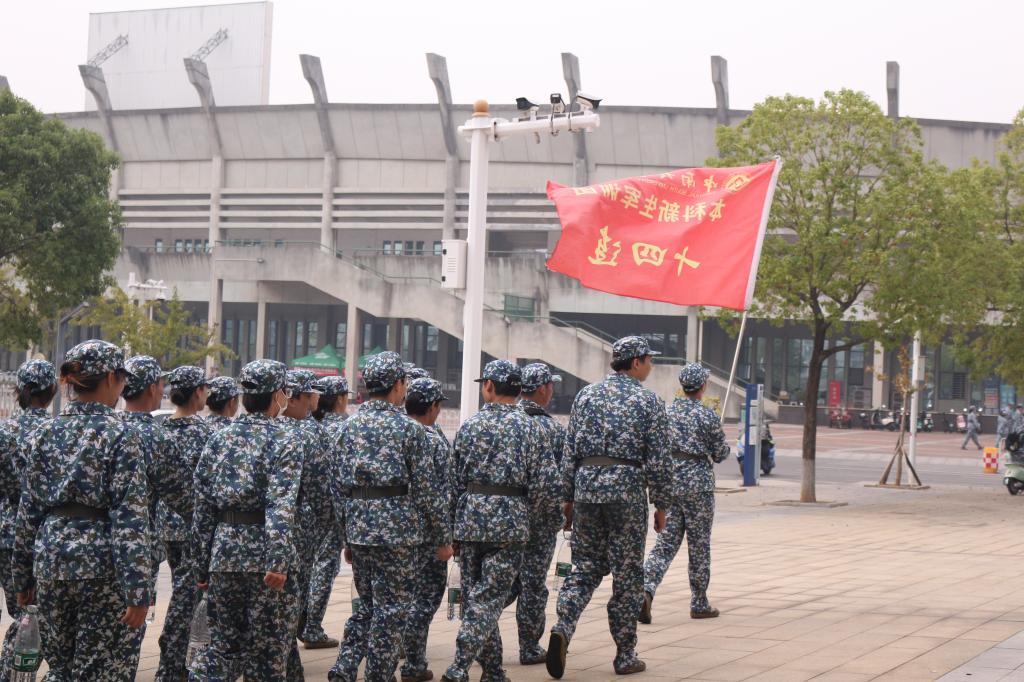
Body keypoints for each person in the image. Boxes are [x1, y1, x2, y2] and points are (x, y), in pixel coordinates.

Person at [12, 340, 151, 680]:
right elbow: (129, 517)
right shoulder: (121, 434)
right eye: (121, 378)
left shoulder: (44, 432)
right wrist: (138, 590)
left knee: (61, 666)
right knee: (100, 670)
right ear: (108, 378)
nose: (123, 387)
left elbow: (28, 512)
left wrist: (21, 576)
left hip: (51, 562)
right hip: (101, 568)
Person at [547, 336, 673, 679]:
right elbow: (659, 459)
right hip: (626, 492)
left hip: (587, 490)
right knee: (628, 573)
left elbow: (569, 450)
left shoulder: (585, 396)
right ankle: (625, 654)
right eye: (648, 359)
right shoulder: (648, 401)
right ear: (635, 363)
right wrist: (661, 504)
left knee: (584, 566)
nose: (651, 365)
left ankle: (563, 626)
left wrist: (567, 498)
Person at [329, 352, 452, 682]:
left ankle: (344, 666)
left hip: (359, 529)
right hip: (397, 533)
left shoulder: (346, 429)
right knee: (392, 610)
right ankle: (378, 675)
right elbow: (428, 491)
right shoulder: (410, 431)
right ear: (399, 385)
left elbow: (337, 488)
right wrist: (442, 539)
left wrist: (346, 537)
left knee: (366, 606)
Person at [192, 359, 305, 679]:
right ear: (277, 394)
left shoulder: (219, 437)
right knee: (268, 654)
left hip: (224, 555)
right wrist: (278, 561)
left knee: (223, 649)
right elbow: (281, 505)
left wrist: (202, 564)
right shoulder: (285, 439)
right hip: (264, 559)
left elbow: (203, 507)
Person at [440, 360, 546, 682]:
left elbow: (453, 482)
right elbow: (544, 485)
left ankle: (493, 671)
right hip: (510, 521)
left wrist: (452, 527)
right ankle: (461, 668)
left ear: (488, 386)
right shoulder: (531, 428)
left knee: (478, 599)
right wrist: (530, 517)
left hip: (471, 519)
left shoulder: (470, 426)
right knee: (487, 601)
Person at [640, 363, 730, 624]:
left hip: (670, 483)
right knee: (699, 545)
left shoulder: (665, 413)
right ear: (703, 386)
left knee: (665, 544)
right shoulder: (707, 416)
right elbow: (720, 453)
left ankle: (646, 590)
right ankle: (699, 601)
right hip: (698, 488)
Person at [120, 356, 193, 678]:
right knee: (121, 645)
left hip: (60, 555)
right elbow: (186, 499)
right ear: (152, 388)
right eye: (161, 383)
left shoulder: (103, 427)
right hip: (133, 551)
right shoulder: (155, 437)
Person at [0, 359, 57, 679]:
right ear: (52, 391)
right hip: (43, 539)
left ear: (19, 391)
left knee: (23, 615)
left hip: (7, 539)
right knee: (35, 618)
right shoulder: (54, 432)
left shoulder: (4, 431)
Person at [280, 369, 337, 679]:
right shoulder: (309, 433)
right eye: (312, 392)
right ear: (298, 397)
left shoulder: (269, 427)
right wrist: (328, 525)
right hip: (299, 526)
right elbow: (320, 489)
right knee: (293, 594)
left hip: (254, 530)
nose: (317, 397)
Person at [156, 365, 213, 682]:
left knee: (183, 589)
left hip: (167, 524)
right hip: (193, 526)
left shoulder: (163, 430)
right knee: (186, 595)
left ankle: (175, 655)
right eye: (204, 388)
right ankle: (172, 659)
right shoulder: (202, 433)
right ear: (197, 393)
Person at [401, 377, 454, 682]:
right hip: (426, 533)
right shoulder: (432, 439)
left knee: (400, 596)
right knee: (426, 597)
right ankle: (414, 663)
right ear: (433, 407)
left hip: (397, 530)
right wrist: (444, 539)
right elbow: (440, 494)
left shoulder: (396, 433)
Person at [514, 362, 566, 665]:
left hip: (502, 517)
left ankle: (478, 629)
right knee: (533, 583)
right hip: (539, 520)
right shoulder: (549, 428)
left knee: (502, 580)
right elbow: (558, 479)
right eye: (551, 385)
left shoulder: (505, 420)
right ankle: (529, 646)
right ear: (543, 389)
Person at [300, 375, 351, 649]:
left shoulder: (313, 425)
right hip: (331, 506)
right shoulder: (346, 427)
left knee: (308, 564)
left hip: (306, 507)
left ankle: (303, 618)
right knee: (325, 566)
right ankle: (311, 625)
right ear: (340, 399)